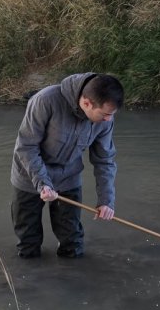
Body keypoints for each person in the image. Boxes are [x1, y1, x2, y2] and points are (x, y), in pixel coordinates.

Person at [10, 72, 123, 258]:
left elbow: (105, 160)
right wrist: (43, 183)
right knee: (28, 245)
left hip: (68, 178)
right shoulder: (44, 101)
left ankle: (71, 279)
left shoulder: (105, 120)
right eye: (105, 114)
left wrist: (106, 201)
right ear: (87, 103)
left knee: (73, 243)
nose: (108, 120)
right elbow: (26, 147)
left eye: (112, 115)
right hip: (29, 177)